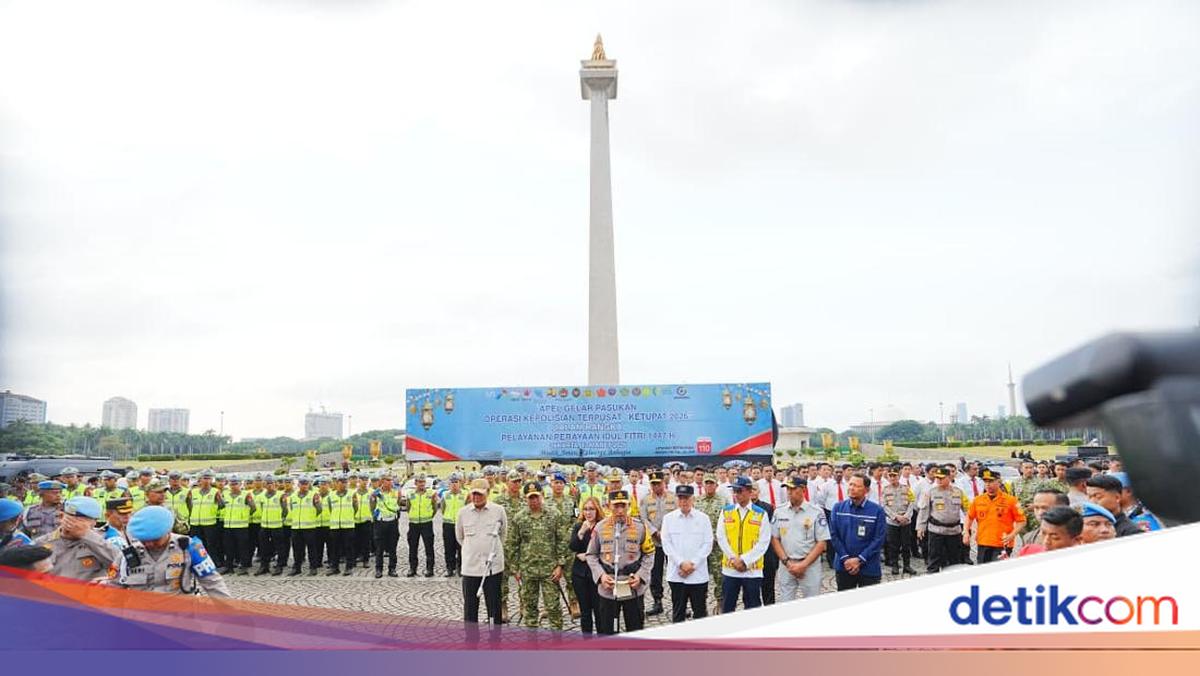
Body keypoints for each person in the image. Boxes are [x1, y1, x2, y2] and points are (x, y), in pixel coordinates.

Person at [107, 505, 230, 597]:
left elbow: (212, 582)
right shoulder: (127, 555)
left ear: (168, 531)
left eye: (155, 539)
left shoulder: (189, 547)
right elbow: (113, 588)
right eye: (144, 540)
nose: (149, 544)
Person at [586, 489, 653, 634]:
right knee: (606, 631)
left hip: (632, 587)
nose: (620, 510)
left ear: (628, 506)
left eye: (623, 505)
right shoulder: (600, 527)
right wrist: (601, 576)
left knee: (635, 630)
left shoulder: (640, 527)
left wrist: (641, 576)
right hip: (608, 588)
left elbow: (649, 554)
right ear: (609, 506)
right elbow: (591, 555)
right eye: (616, 506)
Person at [506, 481, 565, 630]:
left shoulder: (554, 515)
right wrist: (515, 569)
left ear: (542, 496)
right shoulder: (519, 518)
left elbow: (562, 541)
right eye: (530, 497)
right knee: (529, 607)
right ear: (525, 498)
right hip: (527, 570)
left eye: (536, 497)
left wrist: (560, 565)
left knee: (553, 607)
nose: (534, 500)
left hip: (550, 570)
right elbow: (512, 544)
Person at [714, 476, 772, 613]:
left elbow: (763, 542)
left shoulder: (760, 514)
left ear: (749, 491)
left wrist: (745, 560)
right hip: (730, 569)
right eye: (734, 491)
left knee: (752, 608)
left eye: (739, 491)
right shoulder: (726, 511)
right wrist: (734, 558)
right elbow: (721, 537)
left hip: (752, 571)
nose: (736, 494)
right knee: (728, 607)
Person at [457, 478, 507, 629]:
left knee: (494, 607)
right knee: (470, 608)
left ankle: (494, 640)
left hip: (492, 568)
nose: (476, 497)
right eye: (474, 494)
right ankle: (471, 640)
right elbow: (460, 538)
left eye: (480, 494)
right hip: (470, 568)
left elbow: (503, 535)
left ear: (488, 493)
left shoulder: (499, 511)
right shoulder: (463, 513)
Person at [770, 477, 828, 602]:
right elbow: (775, 538)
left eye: (793, 488)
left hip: (809, 566)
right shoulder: (779, 511)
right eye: (787, 489)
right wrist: (787, 562)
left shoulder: (816, 512)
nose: (789, 492)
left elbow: (822, 542)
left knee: (811, 605)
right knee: (785, 604)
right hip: (787, 565)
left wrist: (803, 564)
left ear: (803, 490)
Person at [660, 484, 712, 623]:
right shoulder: (668, 519)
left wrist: (692, 565)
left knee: (700, 612)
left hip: (698, 574)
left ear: (693, 499)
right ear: (677, 499)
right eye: (681, 498)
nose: (684, 501)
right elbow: (666, 544)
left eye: (687, 498)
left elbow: (707, 544)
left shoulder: (703, 518)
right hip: (677, 574)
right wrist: (681, 563)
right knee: (678, 612)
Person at [36, 497, 118, 581]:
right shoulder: (42, 542)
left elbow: (120, 562)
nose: (75, 525)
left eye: (82, 521)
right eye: (71, 519)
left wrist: (87, 535)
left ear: (94, 523)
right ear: (61, 517)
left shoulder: (103, 541)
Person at [829, 473, 887, 590]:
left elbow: (879, 538)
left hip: (869, 566)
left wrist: (860, 559)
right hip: (843, 565)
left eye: (856, 486)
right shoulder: (838, 508)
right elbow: (834, 535)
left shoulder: (877, 510)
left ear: (867, 490)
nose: (851, 488)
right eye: (850, 484)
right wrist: (846, 558)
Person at [964, 469, 1025, 563]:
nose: (988, 484)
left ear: (999, 482)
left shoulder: (1011, 500)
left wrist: (1012, 535)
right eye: (986, 481)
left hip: (1002, 544)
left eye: (991, 481)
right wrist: (966, 532)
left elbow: (1022, 521)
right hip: (983, 542)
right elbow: (969, 517)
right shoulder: (978, 500)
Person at [638, 469, 677, 616]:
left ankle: (678, 601)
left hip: (671, 542)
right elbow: (643, 519)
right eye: (653, 484)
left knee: (675, 571)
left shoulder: (673, 498)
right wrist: (655, 531)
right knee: (655, 573)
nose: (656, 487)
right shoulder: (645, 500)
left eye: (658, 484)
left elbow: (677, 516)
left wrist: (666, 533)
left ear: (663, 483)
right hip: (654, 542)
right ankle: (657, 601)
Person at [569, 496, 604, 633]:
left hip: (597, 573)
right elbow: (572, 546)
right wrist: (582, 532)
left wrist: (589, 556)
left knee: (599, 610)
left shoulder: (603, 525)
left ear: (597, 510)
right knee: (585, 612)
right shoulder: (579, 525)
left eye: (591, 509)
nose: (588, 512)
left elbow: (607, 548)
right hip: (580, 573)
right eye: (585, 509)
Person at [694, 475, 726, 613]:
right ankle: (700, 604)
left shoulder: (723, 501)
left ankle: (720, 602)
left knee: (719, 576)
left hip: (717, 546)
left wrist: (716, 539)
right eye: (706, 483)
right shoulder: (697, 501)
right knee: (699, 575)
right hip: (700, 546)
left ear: (716, 485)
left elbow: (725, 523)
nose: (709, 486)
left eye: (711, 483)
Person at [881, 465, 917, 576]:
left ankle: (907, 565)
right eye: (890, 476)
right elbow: (884, 506)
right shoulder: (885, 490)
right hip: (893, 522)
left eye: (894, 475)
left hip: (906, 521)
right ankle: (895, 565)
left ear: (899, 475)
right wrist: (895, 517)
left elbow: (912, 503)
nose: (892, 478)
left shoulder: (906, 488)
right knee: (893, 545)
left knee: (906, 545)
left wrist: (906, 516)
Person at [288, 477, 324, 576]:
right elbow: (291, 508)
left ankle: (313, 567)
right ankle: (297, 567)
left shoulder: (314, 495)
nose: (304, 485)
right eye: (302, 484)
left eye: (306, 483)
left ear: (308, 484)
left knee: (312, 549)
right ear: (298, 485)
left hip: (309, 527)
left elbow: (319, 509)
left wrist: (311, 517)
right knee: (297, 549)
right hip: (296, 527)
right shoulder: (293, 496)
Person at [221, 476, 256, 575]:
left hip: (241, 526)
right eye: (232, 484)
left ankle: (244, 567)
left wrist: (244, 516)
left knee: (243, 547)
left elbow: (253, 508)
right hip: (228, 526)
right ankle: (229, 566)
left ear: (240, 484)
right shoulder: (225, 494)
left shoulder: (246, 495)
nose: (233, 486)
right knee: (228, 547)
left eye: (236, 484)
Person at [405, 473, 437, 577]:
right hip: (413, 524)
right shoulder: (410, 494)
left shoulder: (431, 493)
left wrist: (429, 516)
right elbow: (408, 507)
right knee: (413, 547)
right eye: (419, 482)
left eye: (423, 482)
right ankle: (412, 568)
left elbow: (435, 508)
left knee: (429, 547)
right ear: (415, 483)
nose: (421, 484)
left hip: (426, 523)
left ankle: (430, 569)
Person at [255, 477, 288, 575]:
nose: (269, 485)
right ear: (265, 485)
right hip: (264, 525)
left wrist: (280, 519)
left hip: (277, 525)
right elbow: (261, 508)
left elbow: (285, 510)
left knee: (279, 547)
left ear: (275, 484)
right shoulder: (262, 496)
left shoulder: (280, 495)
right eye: (267, 483)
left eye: (271, 483)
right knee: (264, 547)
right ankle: (264, 566)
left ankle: (279, 566)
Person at [371, 473, 401, 578]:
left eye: (390, 480)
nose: (389, 482)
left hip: (392, 522)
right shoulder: (376, 493)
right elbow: (372, 507)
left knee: (393, 547)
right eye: (387, 480)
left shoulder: (396, 492)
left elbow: (398, 505)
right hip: (381, 523)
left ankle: (392, 568)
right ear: (382, 481)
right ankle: (378, 569)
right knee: (379, 548)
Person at [440, 472, 466, 577]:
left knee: (461, 547)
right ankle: (450, 568)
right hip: (448, 524)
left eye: (456, 482)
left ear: (460, 483)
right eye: (452, 482)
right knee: (449, 547)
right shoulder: (445, 495)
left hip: (461, 525)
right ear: (449, 484)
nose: (454, 484)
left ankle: (460, 568)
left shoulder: (465, 494)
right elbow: (442, 508)